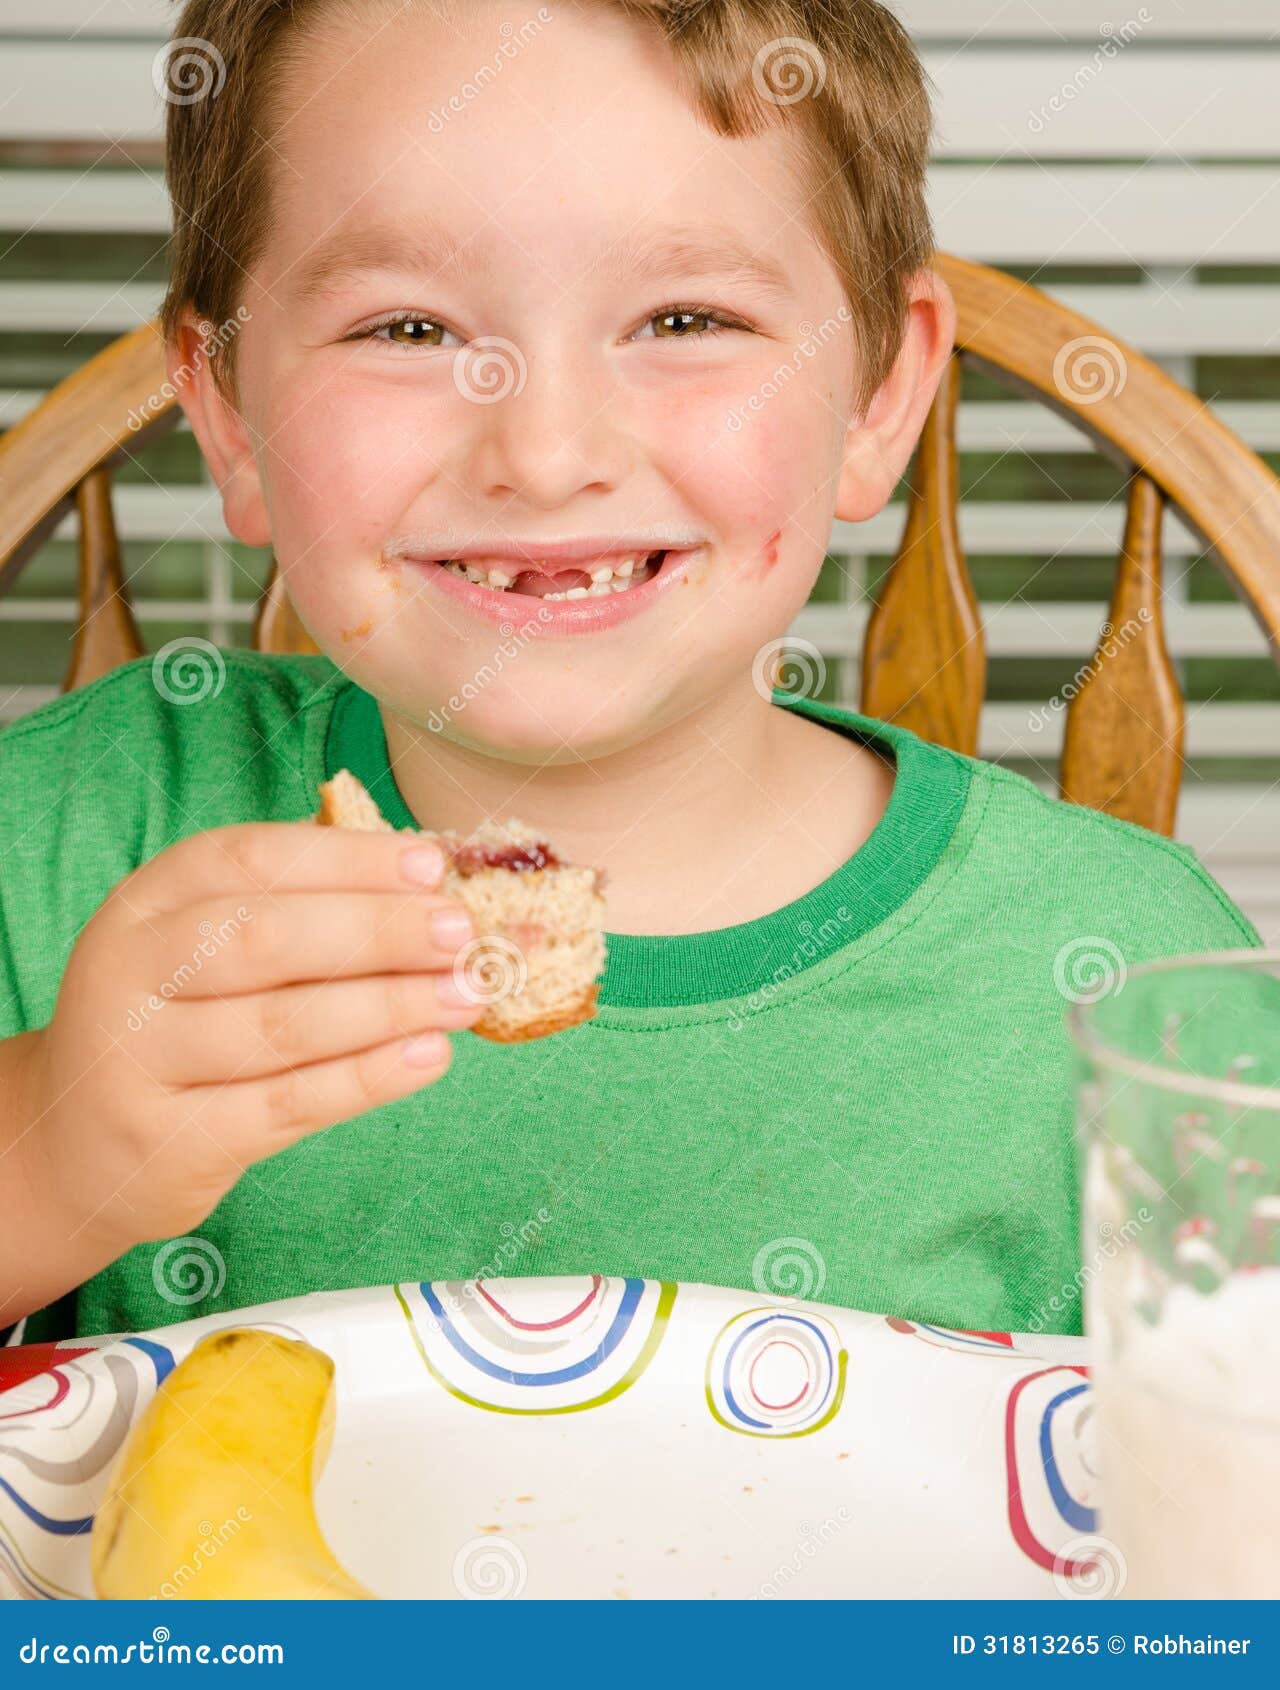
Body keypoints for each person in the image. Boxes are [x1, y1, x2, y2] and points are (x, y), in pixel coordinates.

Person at [0, 0, 1257, 1345]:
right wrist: (48, 1151)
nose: (544, 454)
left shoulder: (1127, 976)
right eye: (408, 331)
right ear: (230, 411)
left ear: (882, 393)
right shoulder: (76, 838)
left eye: (684, 316)